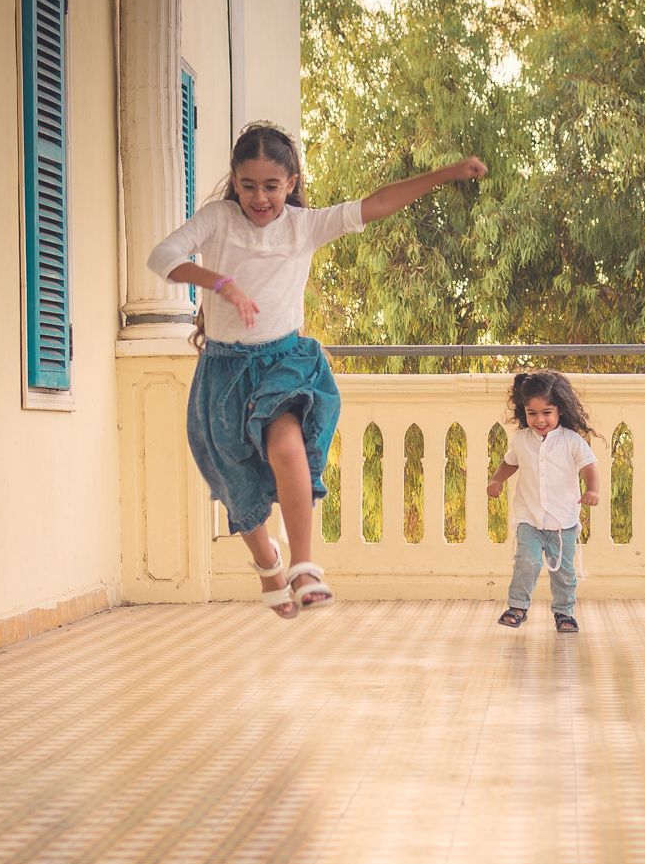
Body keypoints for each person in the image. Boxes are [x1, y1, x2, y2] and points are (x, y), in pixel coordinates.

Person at [149, 123, 487, 618]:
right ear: (235, 182)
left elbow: (378, 203)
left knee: (288, 448)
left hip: (283, 361)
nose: (259, 197)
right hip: (224, 372)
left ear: (290, 182)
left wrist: (447, 173)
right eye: (248, 185)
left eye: (271, 186)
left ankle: (305, 567)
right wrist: (219, 281)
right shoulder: (218, 220)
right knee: (236, 482)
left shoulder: (304, 226)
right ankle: (269, 564)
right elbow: (163, 256)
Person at [486, 371, 600, 634]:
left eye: (546, 412)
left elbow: (589, 466)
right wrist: (496, 480)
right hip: (530, 518)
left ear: (559, 409)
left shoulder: (571, 441)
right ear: (524, 412)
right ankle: (517, 606)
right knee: (526, 561)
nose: (539, 420)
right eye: (532, 413)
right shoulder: (521, 440)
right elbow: (509, 463)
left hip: (563, 522)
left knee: (564, 572)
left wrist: (593, 489)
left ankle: (564, 612)